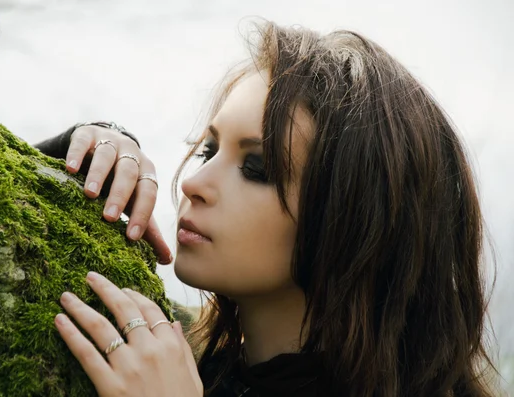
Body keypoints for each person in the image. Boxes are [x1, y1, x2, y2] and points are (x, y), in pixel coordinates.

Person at [35, 21, 499, 396]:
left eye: (257, 168)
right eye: (207, 150)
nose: (194, 184)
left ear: (358, 221)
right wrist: (74, 155)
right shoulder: (171, 358)